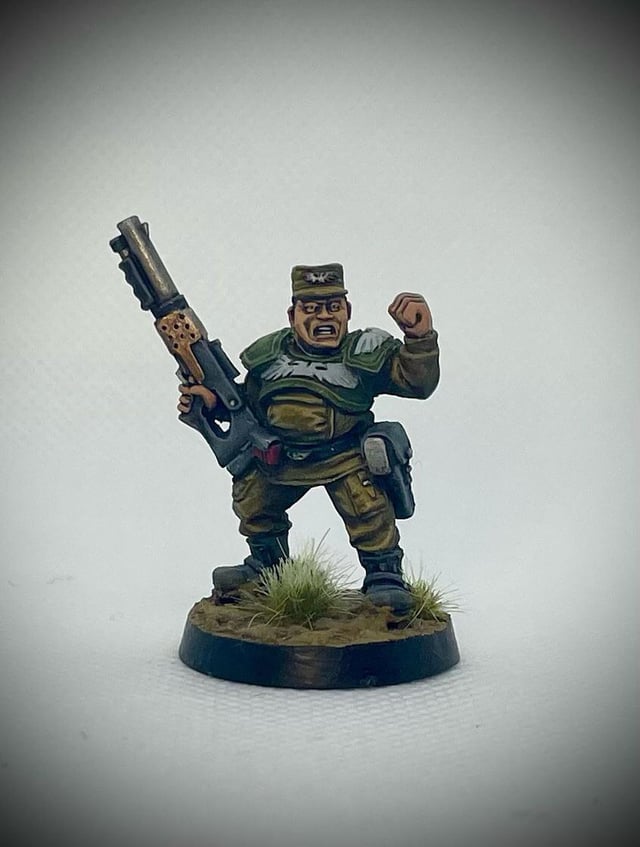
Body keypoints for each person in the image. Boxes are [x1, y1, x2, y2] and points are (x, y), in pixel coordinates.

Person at [178, 264, 440, 613]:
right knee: (252, 502)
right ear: (293, 315)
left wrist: (419, 339)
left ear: (348, 311)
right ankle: (267, 567)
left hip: (345, 457)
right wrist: (210, 403)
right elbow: (245, 405)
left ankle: (384, 575)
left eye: (333, 307)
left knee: (368, 509)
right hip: (280, 459)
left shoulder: (365, 351)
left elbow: (417, 383)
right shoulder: (269, 356)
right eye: (312, 308)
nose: (324, 317)